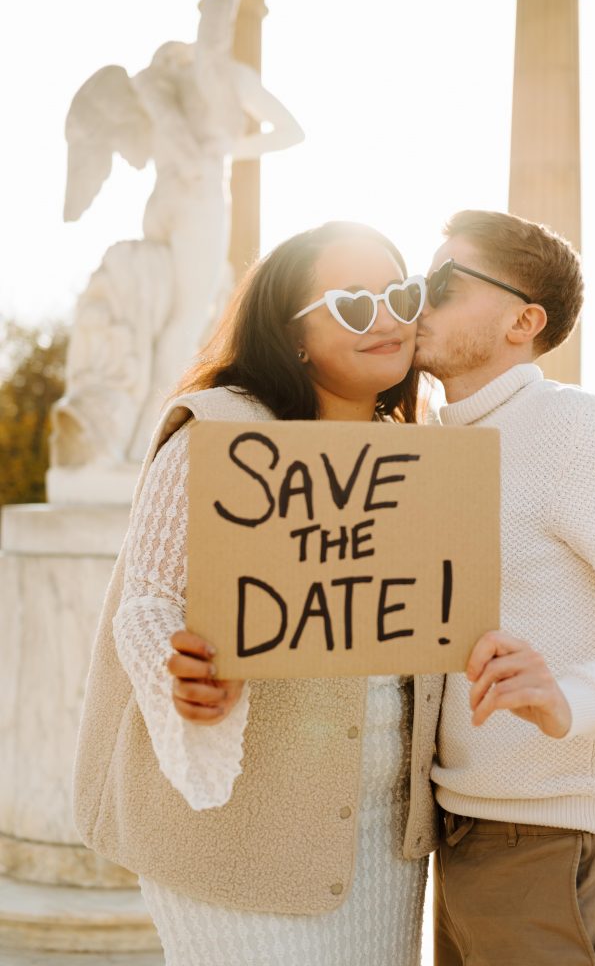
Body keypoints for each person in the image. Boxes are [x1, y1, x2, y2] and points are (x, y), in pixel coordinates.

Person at [73, 220, 444, 966]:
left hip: (379, 836)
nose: (387, 320)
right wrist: (183, 675)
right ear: (292, 333)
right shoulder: (221, 430)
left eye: (402, 296)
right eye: (352, 304)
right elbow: (146, 599)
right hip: (238, 842)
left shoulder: (422, 453)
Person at [413, 209, 595, 966]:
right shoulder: (425, 447)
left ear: (521, 320)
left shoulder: (578, 429)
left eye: (442, 285)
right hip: (454, 836)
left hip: (556, 844)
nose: (416, 303)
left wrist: (575, 695)